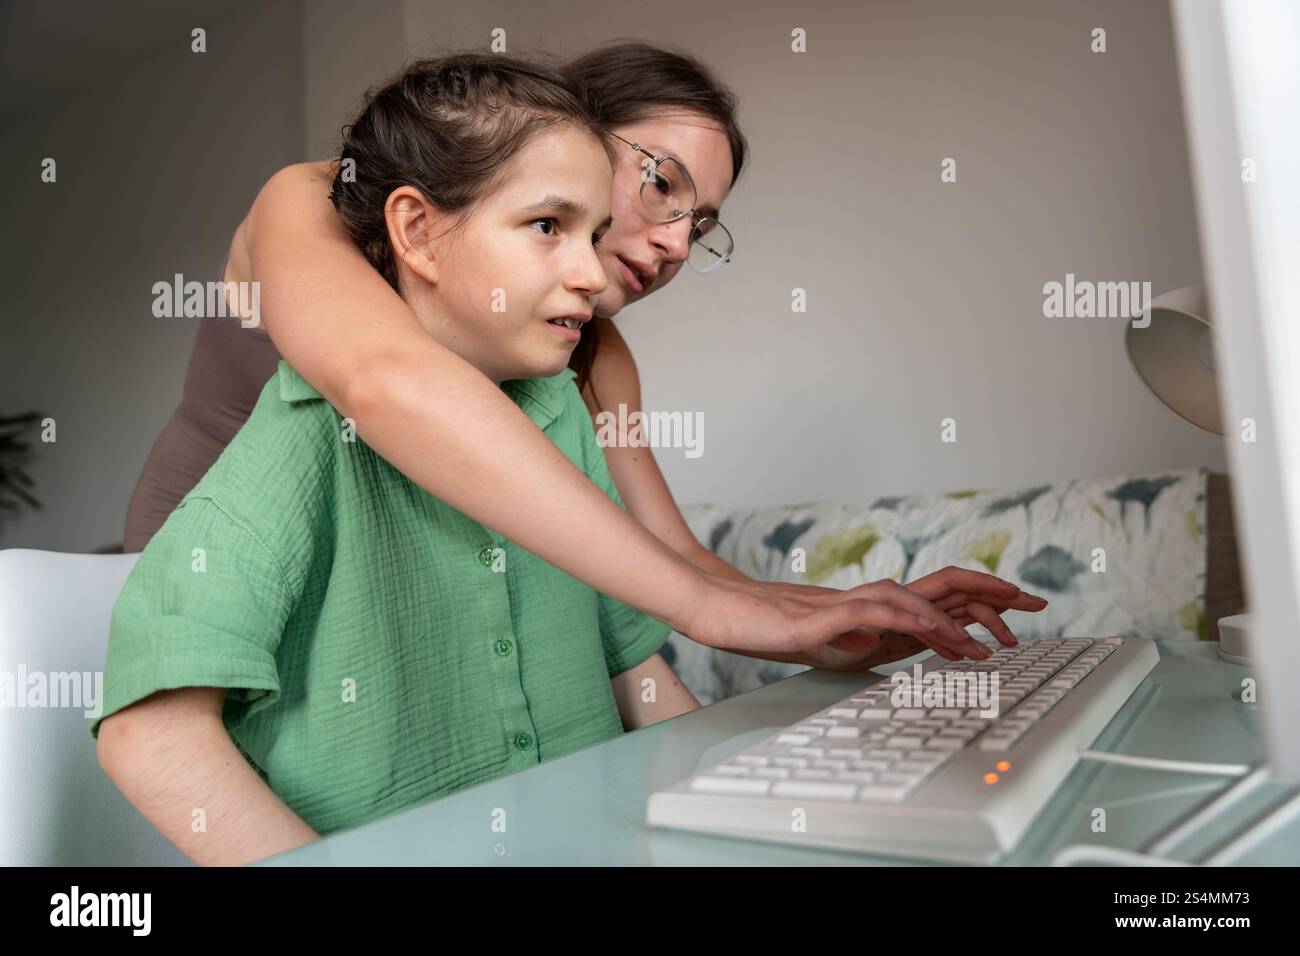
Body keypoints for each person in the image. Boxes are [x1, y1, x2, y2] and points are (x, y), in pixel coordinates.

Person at [123, 40, 1046, 672]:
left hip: (376, 601)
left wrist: (833, 621)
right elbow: (385, 381)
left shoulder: (596, 354)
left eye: (704, 224)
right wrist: (715, 611)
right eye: (662, 186)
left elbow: (670, 553)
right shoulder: (316, 201)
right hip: (203, 583)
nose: (678, 243)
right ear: (567, 131)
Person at [94, 54, 712, 866]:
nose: (592, 271)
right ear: (416, 229)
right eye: (548, 227)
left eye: (594, 234)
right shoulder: (310, 420)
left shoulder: (564, 403)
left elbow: (637, 660)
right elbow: (155, 734)